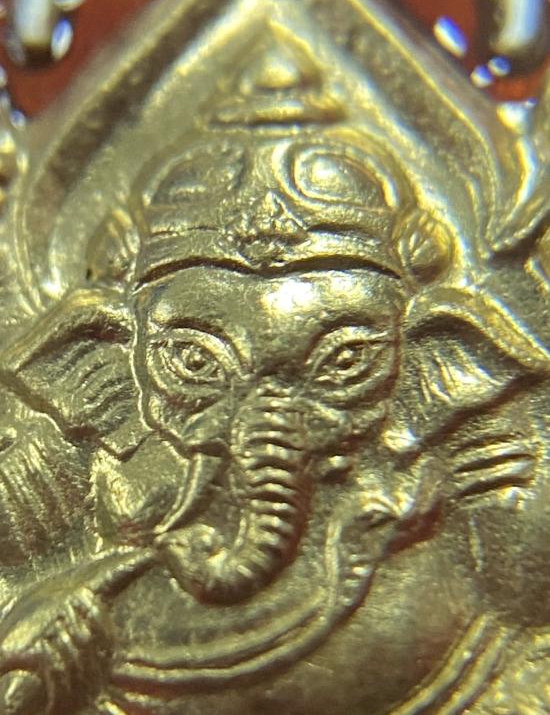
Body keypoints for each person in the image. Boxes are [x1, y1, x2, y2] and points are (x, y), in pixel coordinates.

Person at [1, 125, 549, 715]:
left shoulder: (475, 449)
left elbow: (522, 590)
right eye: (194, 362)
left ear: (437, 356)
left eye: (346, 360)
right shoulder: (72, 459)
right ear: (101, 355)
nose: (267, 416)